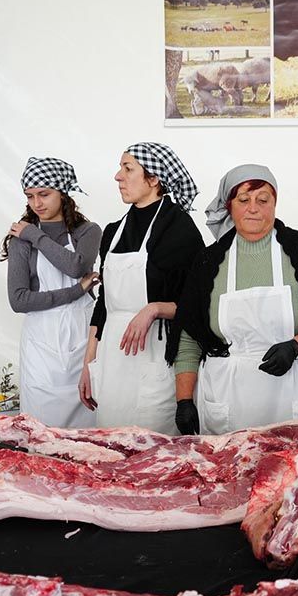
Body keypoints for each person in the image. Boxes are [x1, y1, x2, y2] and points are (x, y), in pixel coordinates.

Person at [172, 164, 298, 435]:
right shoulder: (208, 262)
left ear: (275, 203)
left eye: (263, 200)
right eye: (244, 200)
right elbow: (188, 337)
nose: (253, 208)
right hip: (230, 399)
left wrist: (296, 346)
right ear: (229, 206)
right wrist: (184, 400)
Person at [80, 143, 204, 433]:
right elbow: (103, 305)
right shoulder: (113, 232)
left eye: (128, 168)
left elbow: (200, 302)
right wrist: (88, 364)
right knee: (112, 448)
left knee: (154, 452)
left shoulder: (180, 230)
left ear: (154, 178)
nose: (117, 177)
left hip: (157, 360)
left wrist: (155, 308)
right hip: (113, 360)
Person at [4, 156, 101, 428]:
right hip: (41, 345)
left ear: (63, 192)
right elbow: (19, 300)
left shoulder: (88, 231)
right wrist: (75, 292)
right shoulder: (19, 241)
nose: (37, 204)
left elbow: (75, 266)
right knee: (42, 429)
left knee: (89, 425)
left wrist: (36, 236)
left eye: (44, 194)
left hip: (83, 337)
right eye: (30, 196)